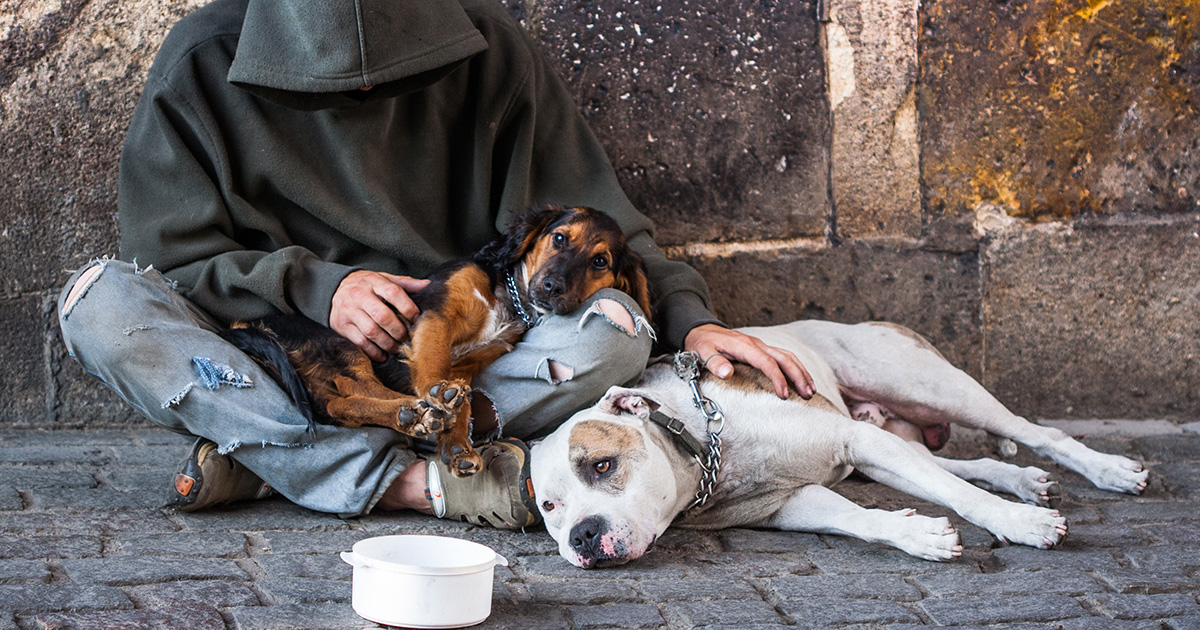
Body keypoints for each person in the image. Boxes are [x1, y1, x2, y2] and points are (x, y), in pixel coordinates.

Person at [58, 0, 813, 527]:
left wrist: (695, 323)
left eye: (389, 77)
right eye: (329, 87)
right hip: (279, 353)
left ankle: (269, 460)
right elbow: (169, 261)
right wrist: (318, 287)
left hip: (462, 363)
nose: (362, 93)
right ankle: (425, 487)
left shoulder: (489, 45)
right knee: (97, 304)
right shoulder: (200, 60)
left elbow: (599, 225)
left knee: (612, 335)